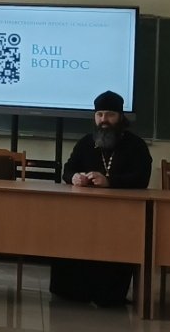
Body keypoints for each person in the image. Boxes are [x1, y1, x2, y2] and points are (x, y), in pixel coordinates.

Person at [54, 91, 153, 306]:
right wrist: (74, 177)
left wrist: (109, 181)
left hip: (121, 215)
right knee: (68, 231)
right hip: (84, 214)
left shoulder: (136, 145)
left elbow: (141, 178)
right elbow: (68, 169)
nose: (104, 120)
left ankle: (108, 294)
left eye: (109, 115)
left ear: (120, 117)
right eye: (99, 115)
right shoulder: (86, 142)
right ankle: (72, 292)